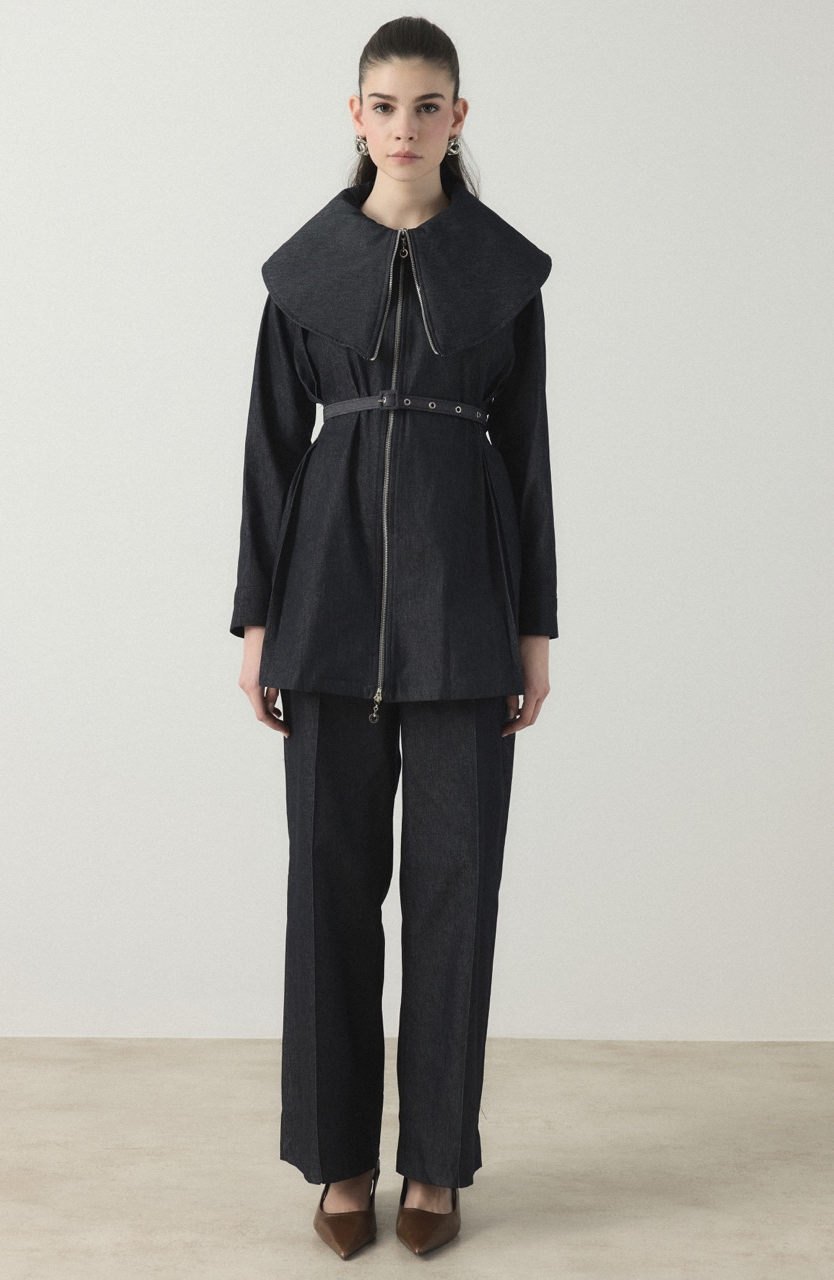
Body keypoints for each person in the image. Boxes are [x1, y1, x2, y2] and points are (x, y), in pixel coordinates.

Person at [230, 16, 558, 1259]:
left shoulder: (503, 274)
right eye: (385, 104)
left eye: (428, 105)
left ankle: (434, 1161)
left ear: (457, 118)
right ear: (355, 115)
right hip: (323, 608)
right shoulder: (304, 272)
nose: (405, 126)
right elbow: (270, 451)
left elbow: (526, 458)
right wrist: (257, 618)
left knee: (456, 893)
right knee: (326, 891)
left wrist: (534, 628)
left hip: (465, 610)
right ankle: (339, 1159)